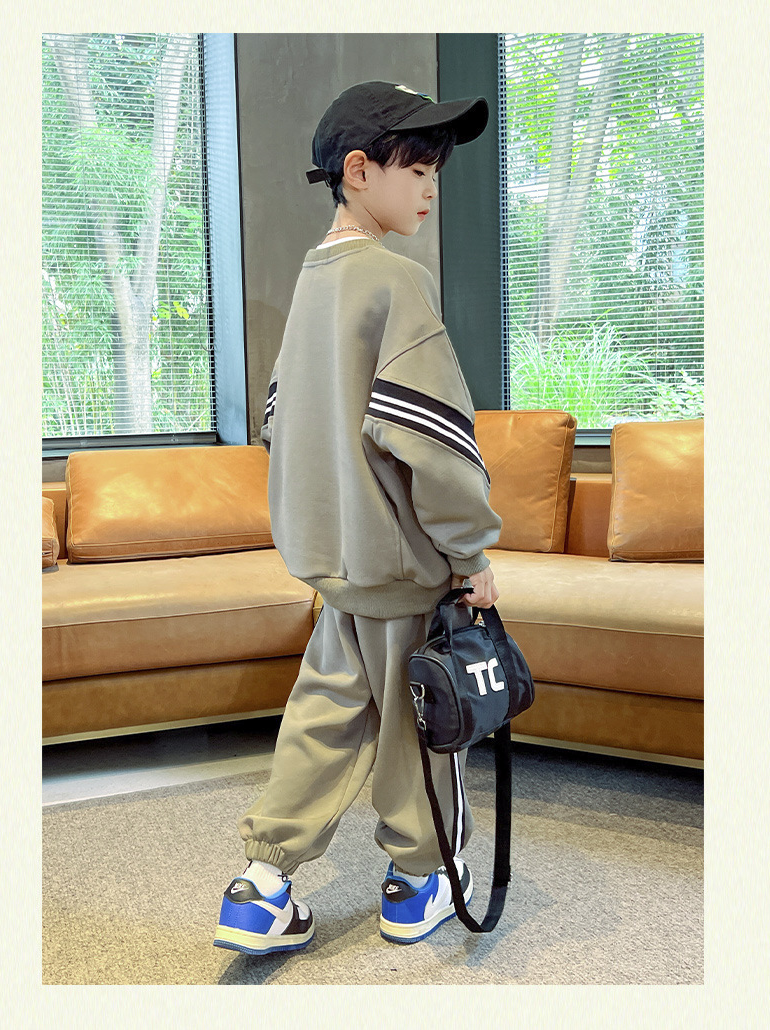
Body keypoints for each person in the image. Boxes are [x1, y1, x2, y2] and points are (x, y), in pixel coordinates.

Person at [213, 81, 502, 957]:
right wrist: (471, 555)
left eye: (437, 171)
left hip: (335, 565)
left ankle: (260, 886)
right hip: (404, 567)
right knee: (422, 724)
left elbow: (283, 425)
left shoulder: (312, 282)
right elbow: (434, 446)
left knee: (325, 716)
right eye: (417, 168)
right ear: (358, 170)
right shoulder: (397, 282)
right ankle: (418, 882)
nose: (430, 187)